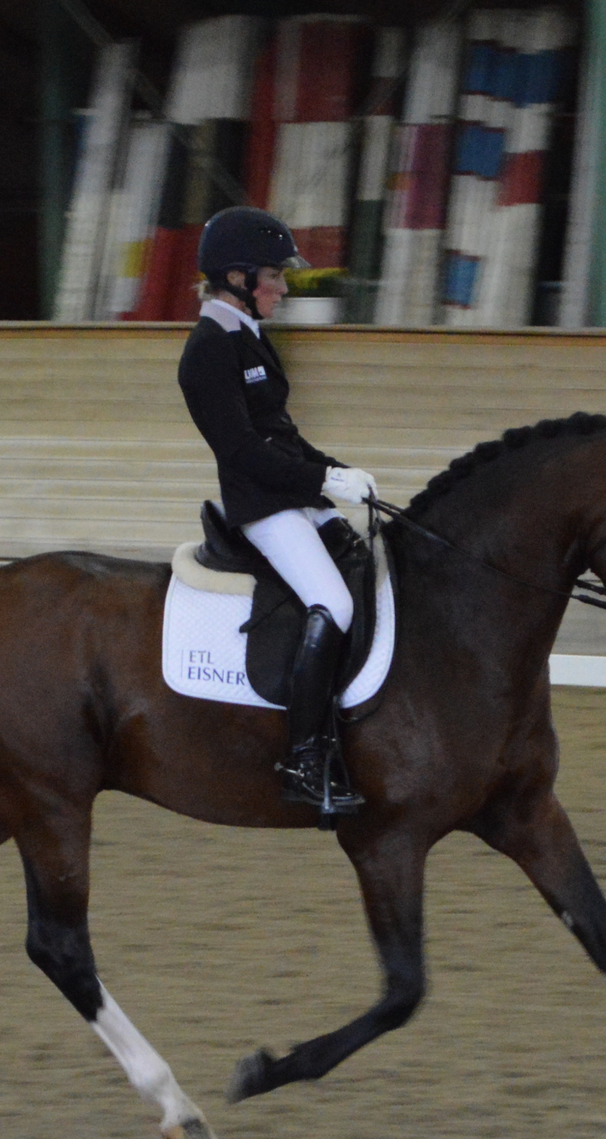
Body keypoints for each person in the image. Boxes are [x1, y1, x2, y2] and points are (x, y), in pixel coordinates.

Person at [177, 206, 378, 813]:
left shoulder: (251, 338)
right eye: (275, 276)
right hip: (261, 507)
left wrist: (339, 474)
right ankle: (304, 760)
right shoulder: (207, 351)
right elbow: (242, 452)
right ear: (238, 277)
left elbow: (282, 435)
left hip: (293, 494)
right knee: (334, 602)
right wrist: (325, 479)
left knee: (365, 567)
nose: (285, 288)